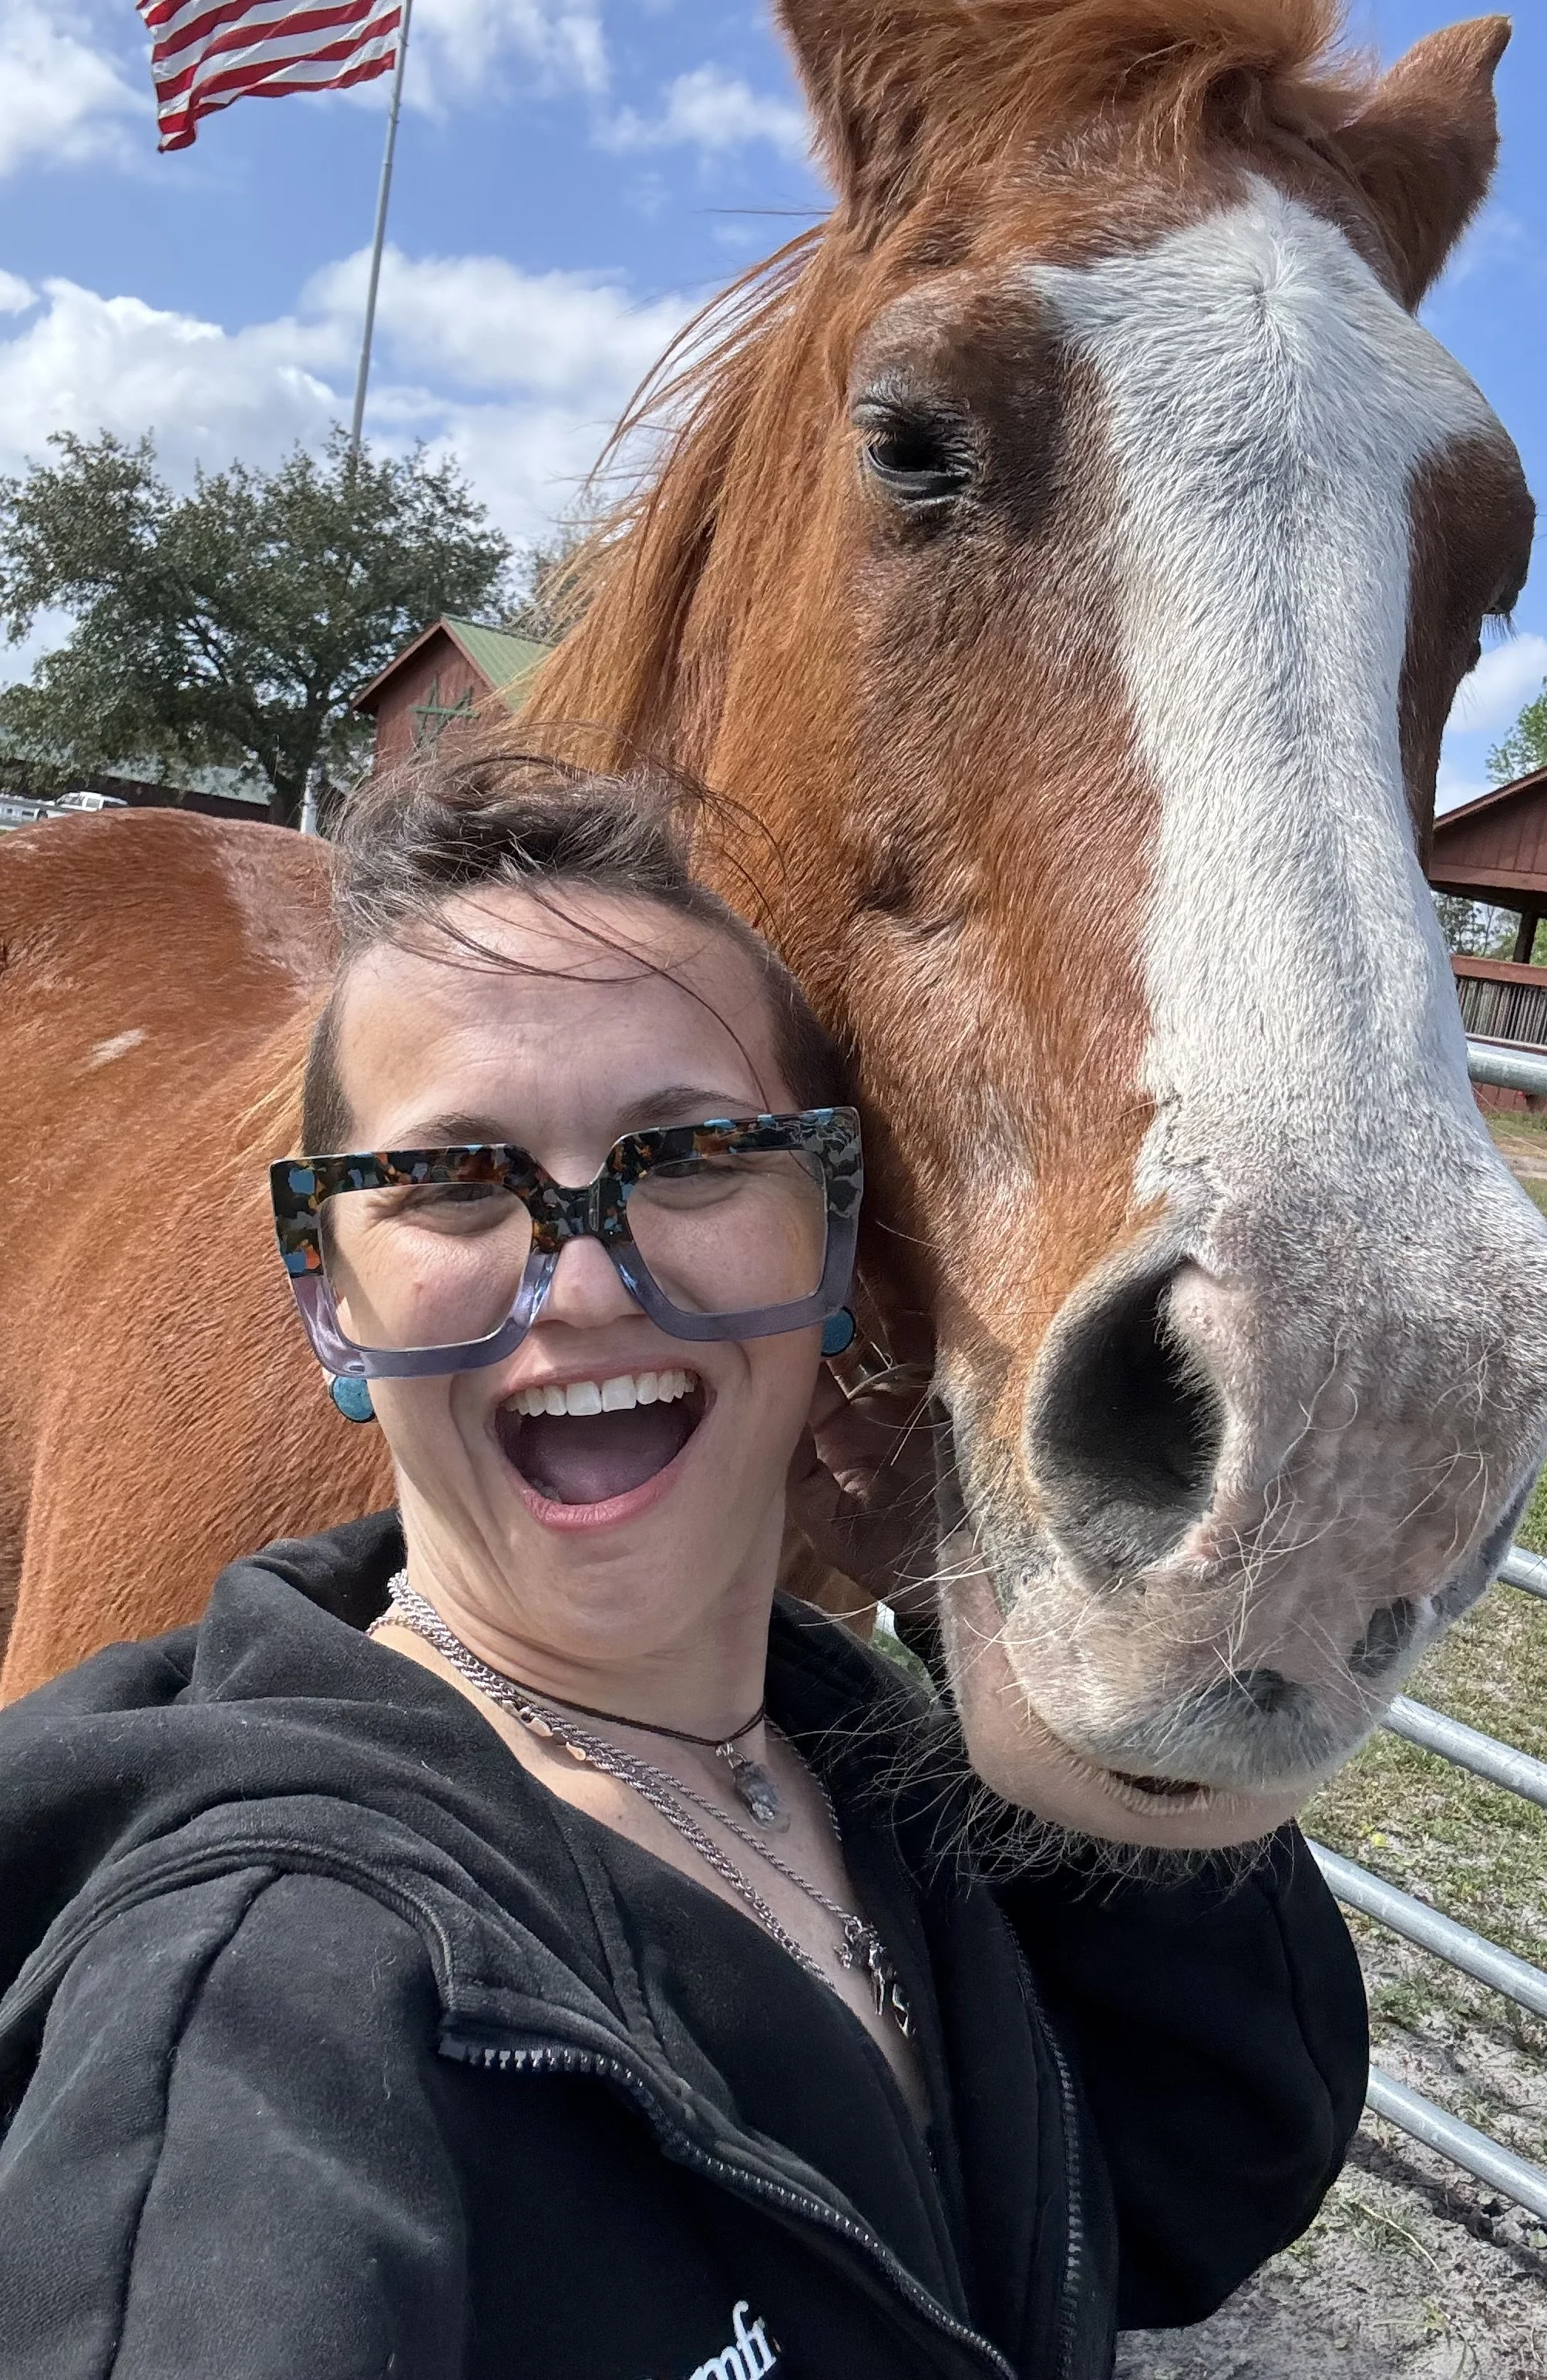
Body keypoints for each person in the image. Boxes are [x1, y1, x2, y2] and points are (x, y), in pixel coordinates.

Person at [0, 751, 1367, 2380]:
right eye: (449, 1178)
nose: (580, 1280)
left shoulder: (847, 1768)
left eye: (695, 1155)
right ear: (330, 1295)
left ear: (836, 1247)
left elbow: (1207, 2171)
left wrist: (969, 1603)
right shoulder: (271, 1990)